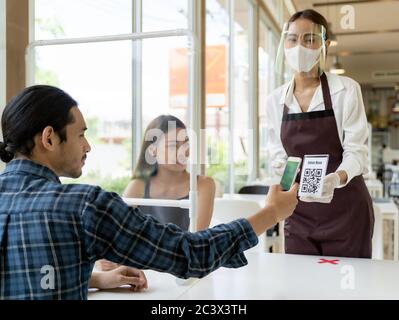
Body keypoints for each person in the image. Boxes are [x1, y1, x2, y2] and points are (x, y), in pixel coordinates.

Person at [0, 85, 298, 299]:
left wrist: (94, 280)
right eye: (81, 134)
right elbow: (191, 253)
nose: (88, 146)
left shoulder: (201, 184)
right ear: (49, 138)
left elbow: (21, 276)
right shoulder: (84, 205)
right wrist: (270, 213)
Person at [266, 9, 374, 258]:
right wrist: (284, 177)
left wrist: (336, 178)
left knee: (347, 290)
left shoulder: (346, 90)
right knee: (302, 288)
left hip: (346, 211)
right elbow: (278, 156)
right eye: (293, 39)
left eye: (309, 39)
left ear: (325, 44)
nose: (299, 46)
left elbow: (357, 151)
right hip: (298, 212)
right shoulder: (274, 100)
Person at [97, 115, 216, 271]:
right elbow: (116, 237)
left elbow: (196, 242)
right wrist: (105, 258)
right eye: (173, 146)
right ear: (152, 150)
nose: (183, 152)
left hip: (186, 275)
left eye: (186, 144)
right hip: (144, 277)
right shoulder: (137, 186)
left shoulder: (203, 185)